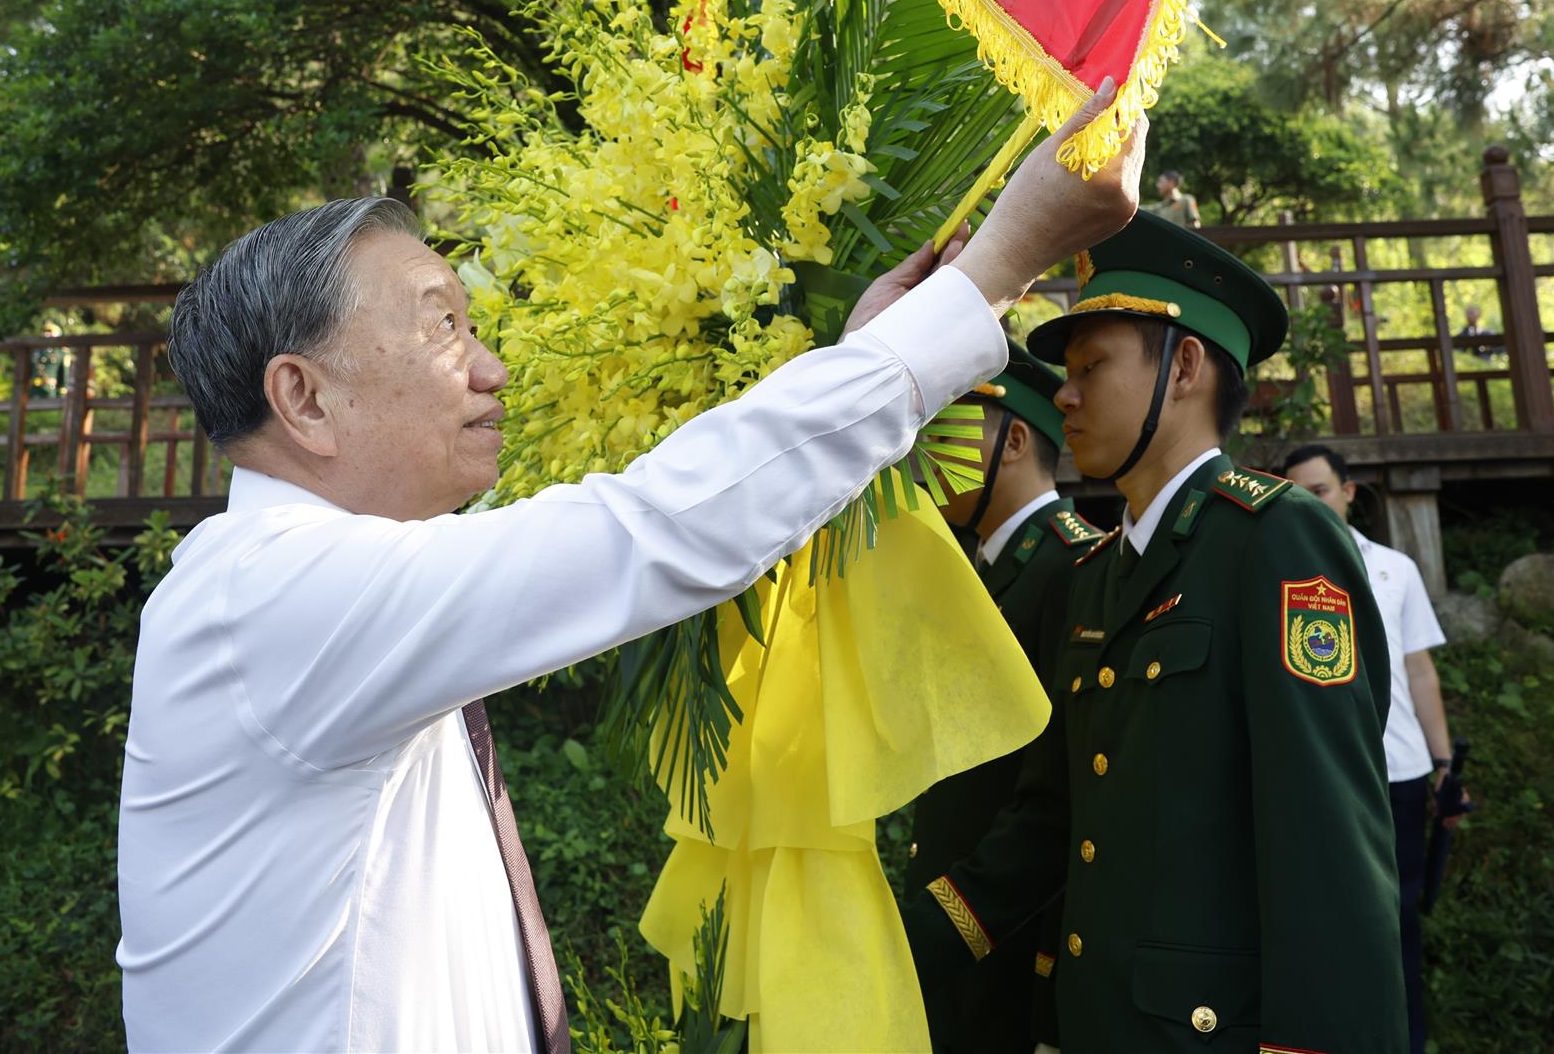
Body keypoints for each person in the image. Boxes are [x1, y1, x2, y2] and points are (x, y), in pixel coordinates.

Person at [114, 84, 1144, 1053]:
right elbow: (648, 529)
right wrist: (998, 264)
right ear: (302, 399)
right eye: (441, 324)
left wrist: (862, 354)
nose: (491, 367)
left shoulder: (310, 591)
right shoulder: (275, 597)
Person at [901, 210, 1403, 1053]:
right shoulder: (1099, 572)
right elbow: (1052, 818)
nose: (1064, 394)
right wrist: (901, 943)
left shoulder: (1274, 540)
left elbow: (1327, 836)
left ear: (1186, 368)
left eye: (1091, 366)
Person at [910, 341, 1106, 1053]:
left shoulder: (1073, 565)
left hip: (1011, 942)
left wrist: (954, 920)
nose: (926, 455)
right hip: (959, 928)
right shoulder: (985, 566)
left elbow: (1063, 790)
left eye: (947, 434)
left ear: (1015, 439)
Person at [1284, 442, 1469, 1054]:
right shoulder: (1281, 569)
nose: (1311, 502)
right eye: (1298, 493)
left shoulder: (1394, 569)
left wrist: (1444, 765)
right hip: (1319, 781)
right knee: (1321, 922)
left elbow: (1419, 671)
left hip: (1401, 775)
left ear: (1348, 492)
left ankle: (1403, 1041)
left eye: (1320, 491)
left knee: (1398, 923)